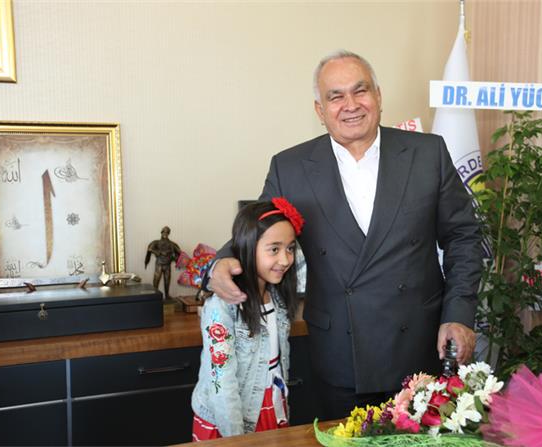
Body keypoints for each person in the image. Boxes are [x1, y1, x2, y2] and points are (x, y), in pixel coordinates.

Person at [205, 50, 484, 419]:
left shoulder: (427, 153)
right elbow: (258, 231)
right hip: (339, 352)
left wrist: (459, 314)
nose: (350, 105)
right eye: (335, 96)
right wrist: (221, 262)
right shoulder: (291, 167)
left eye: (360, 91)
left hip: (420, 345)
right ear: (320, 110)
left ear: (378, 96)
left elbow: (464, 237)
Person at [191, 198, 303, 440]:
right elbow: (221, 383)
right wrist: (237, 439)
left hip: (272, 404)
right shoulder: (222, 306)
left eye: (290, 248)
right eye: (274, 249)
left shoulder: (277, 296)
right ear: (248, 248)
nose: (285, 260)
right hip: (230, 420)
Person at [144, 226, 181, 299]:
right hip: (159, 264)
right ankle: (155, 295)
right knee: (156, 280)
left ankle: (167, 295)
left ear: (169, 234)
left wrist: (177, 256)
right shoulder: (156, 242)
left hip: (167, 265)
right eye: (164, 232)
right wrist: (159, 252)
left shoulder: (172, 244)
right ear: (161, 232)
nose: (165, 234)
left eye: (167, 232)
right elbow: (150, 249)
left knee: (167, 280)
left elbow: (179, 252)